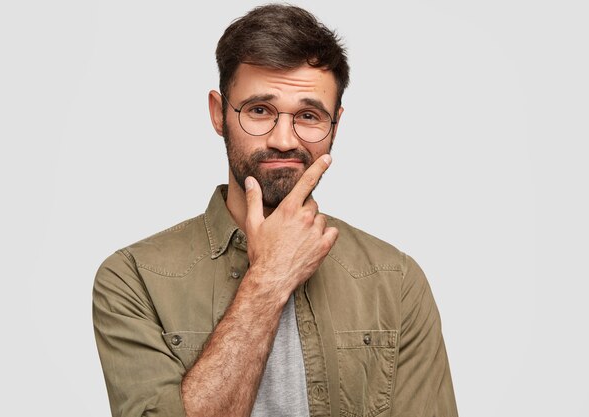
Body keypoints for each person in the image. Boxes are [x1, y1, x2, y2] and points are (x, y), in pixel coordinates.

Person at [93, 4, 458, 417]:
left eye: (308, 115)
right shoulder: (133, 278)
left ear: (336, 124)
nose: (284, 139)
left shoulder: (395, 281)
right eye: (260, 111)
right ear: (219, 114)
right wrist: (268, 279)